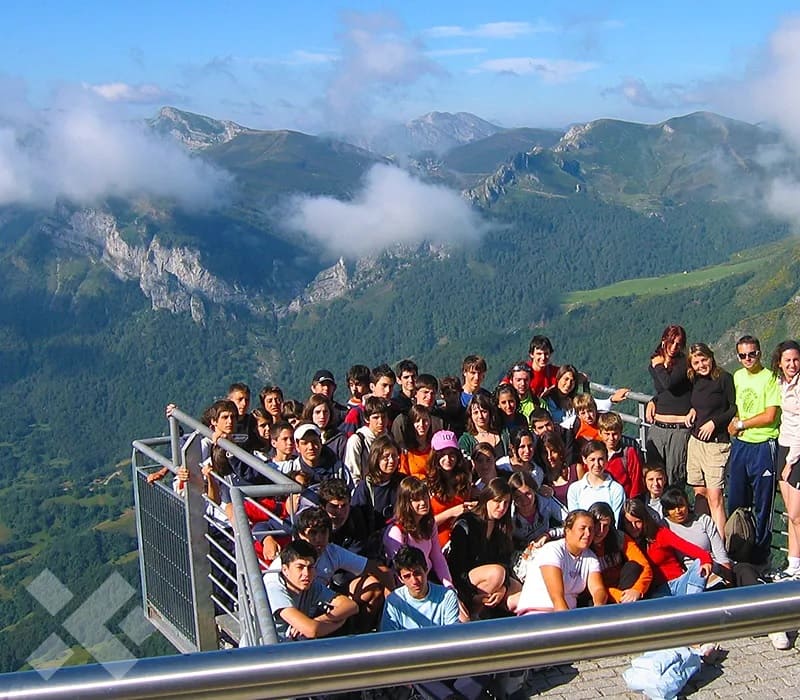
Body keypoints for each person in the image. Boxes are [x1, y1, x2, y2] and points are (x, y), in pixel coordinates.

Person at [381, 546, 491, 700]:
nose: (414, 581)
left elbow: (453, 640)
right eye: (407, 576)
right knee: (417, 674)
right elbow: (387, 643)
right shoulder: (394, 601)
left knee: (486, 665)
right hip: (416, 667)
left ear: (426, 570)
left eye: (417, 573)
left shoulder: (446, 596)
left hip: (446, 663)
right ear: (400, 578)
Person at [727, 334, 781, 563]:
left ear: (760, 353)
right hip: (741, 444)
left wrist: (741, 424)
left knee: (763, 503)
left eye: (752, 354)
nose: (748, 358)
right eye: (743, 355)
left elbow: (770, 415)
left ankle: (760, 556)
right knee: (736, 501)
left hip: (763, 444)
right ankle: (739, 551)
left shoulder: (770, 378)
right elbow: (738, 406)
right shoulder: (738, 377)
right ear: (738, 357)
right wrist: (735, 422)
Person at [448, 478, 522, 618]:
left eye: (506, 503)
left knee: (517, 587)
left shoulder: (502, 527)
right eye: (497, 501)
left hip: (493, 582)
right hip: (466, 581)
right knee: (497, 572)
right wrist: (470, 596)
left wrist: (503, 588)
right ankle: (476, 612)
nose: (502, 507)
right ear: (487, 499)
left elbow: (504, 560)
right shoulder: (466, 523)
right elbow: (456, 567)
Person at [685, 342, 736, 538]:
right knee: (700, 493)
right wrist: (692, 410)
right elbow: (698, 403)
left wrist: (715, 423)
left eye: (703, 360)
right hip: (696, 443)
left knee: (715, 498)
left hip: (717, 445)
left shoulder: (724, 378)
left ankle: (720, 548)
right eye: (696, 362)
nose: (701, 365)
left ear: (711, 357)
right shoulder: (695, 380)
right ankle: (703, 540)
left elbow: (732, 408)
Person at [264, 539, 357, 642]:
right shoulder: (274, 588)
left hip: (292, 648)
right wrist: (340, 621)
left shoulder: (310, 585)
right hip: (263, 652)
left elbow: (351, 606)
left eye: (310, 567)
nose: (306, 574)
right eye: (300, 567)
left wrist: (319, 620)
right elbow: (311, 630)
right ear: (285, 570)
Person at [516, 509, 607, 613]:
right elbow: (557, 598)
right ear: (568, 530)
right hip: (538, 614)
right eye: (582, 528)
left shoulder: (591, 557)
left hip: (568, 613)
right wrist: (568, 623)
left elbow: (598, 589)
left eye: (591, 529)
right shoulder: (552, 550)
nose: (588, 533)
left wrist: (598, 608)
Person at [622, 498, 711, 597]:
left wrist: (706, 561)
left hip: (678, 582)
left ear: (644, 520)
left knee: (699, 564)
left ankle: (693, 601)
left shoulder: (660, 534)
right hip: (658, 592)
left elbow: (691, 549)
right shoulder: (625, 543)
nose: (634, 527)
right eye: (629, 523)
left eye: (638, 522)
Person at [383, 477, 454, 588]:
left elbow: (437, 557)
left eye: (425, 497)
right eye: (416, 499)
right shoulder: (397, 531)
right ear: (406, 503)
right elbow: (402, 571)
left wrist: (448, 585)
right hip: (411, 584)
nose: (423, 503)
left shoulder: (430, 525)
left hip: (428, 577)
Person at [645, 325, 692, 487]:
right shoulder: (656, 362)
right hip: (658, 427)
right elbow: (662, 391)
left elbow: (669, 383)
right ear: (664, 340)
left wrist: (658, 365)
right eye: (671, 342)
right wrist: (654, 400)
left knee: (675, 477)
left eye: (678, 344)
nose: (673, 347)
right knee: (654, 476)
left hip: (678, 429)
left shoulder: (684, 363)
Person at [589, 502, 653, 603]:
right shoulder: (584, 543)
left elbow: (644, 566)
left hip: (624, 586)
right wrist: (619, 595)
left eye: (605, 526)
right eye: (597, 525)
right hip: (598, 595)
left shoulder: (619, 538)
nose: (600, 531)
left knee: (634, 566)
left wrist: (637, 590)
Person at [773, 340, 800, 579]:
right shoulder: (781, 383)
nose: (792, 364)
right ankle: (793, 564)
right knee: (791, 514)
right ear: (779, 363)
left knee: (796, 513)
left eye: (796, 359)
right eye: (787, 360)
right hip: (783, 445)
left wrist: (791, 461)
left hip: (796, 452)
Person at [507, 471, 566, 579]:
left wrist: (549, 534)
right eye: (518, 497)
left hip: (547, 547)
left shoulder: (546, 502)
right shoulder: (509, 513)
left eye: (527, 494)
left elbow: (572, 522)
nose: (524, 501)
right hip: (521, 554)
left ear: (534, 491)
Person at [426, 430, 477, 548]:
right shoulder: (427, 485)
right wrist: (451, 513)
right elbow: (423, 525)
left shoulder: (465, 480)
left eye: (451, 454)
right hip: (436, 545)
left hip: (462, 541)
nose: (448, 459)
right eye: (442, 454)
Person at [352, 434, 404, 536]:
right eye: (386, 457)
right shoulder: (365, 487)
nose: (391, 461)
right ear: (376, 459)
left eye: (394, 456)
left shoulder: (402, 482)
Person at [567, 440, 626, 522]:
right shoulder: (575, 489)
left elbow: (616, 521)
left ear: (606, 459)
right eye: (592, 460)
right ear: (584, 459)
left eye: (600, 459)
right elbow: (575, 520)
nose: (597, 464)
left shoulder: (616, 489)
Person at [344, 395, 389, 485]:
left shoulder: (389, 438)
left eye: (383, 417)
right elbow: (352, 474)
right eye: (376, 418)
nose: (380, 422)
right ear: (366, 419)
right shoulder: (357, 440)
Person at [597, 412, 643, 500]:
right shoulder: (595, 452)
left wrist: (631, 503)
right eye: (607, 434)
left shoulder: (628, 453)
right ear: (600, 433)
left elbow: (636, 480)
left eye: (615, 434)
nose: (611, 438)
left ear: (620, 433)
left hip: (624, 501)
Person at [459, 392, 506, 458]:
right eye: (476, 413)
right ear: (471, 416)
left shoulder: (504, 435)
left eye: (483, 411)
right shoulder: (466, 441)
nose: (480, 416)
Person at [301, 393, 347, 461]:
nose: (322, 416)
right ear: (310, 414)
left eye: (325, 412)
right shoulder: (302, 436)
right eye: (317, 412)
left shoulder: (339, 439)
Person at [396, 405, 434, 478]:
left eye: (425, 420)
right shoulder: (405, 450)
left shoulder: (435, 446)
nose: (421, 424)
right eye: (417, 421)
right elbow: (402, 476)